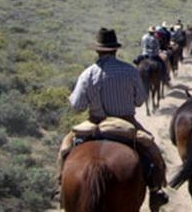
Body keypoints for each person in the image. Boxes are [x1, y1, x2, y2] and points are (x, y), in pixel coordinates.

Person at [59, 28, 168, 211]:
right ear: (116, 50)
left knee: (65, 148)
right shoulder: (130, 71)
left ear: (97, 51)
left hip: (94, 123)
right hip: (125, 123)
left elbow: (77, 105)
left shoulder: (87, 73)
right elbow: (140, 100)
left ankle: (60, 186)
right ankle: (156, 191)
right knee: (152, 151)